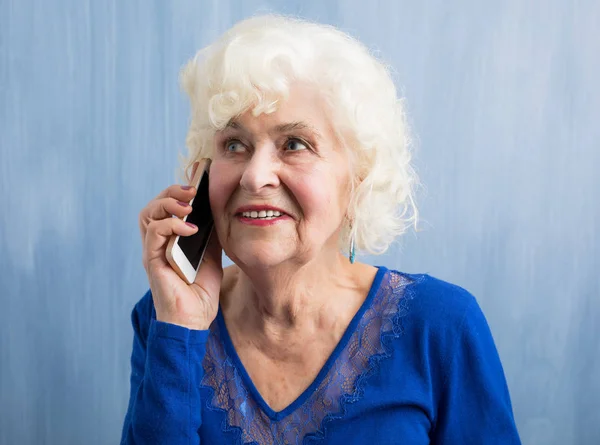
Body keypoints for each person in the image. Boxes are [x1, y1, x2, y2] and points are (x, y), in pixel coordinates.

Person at [120, 14, 522, 445]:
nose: (255, 177)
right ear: (202, 174)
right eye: (234, 145)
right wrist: (180, 324)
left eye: (295, 144)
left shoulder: (441, 325)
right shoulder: (164, 316)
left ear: (359, 176)